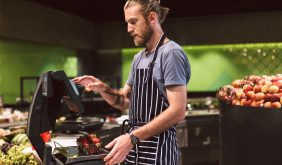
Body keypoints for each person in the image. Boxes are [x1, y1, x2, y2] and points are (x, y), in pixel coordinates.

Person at [72, 0, 191, 164]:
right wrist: (102, 88)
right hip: (134, 151)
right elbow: (124, 100)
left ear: (152, 18)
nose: (129, 29)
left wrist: (133, 137)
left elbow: (178, 110)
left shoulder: (171, 53)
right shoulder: (138, 58)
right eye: (127, 23)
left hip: (159, 152)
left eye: (133, 22)